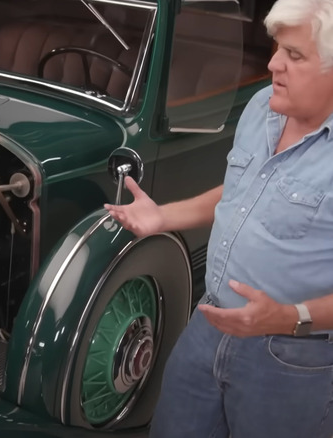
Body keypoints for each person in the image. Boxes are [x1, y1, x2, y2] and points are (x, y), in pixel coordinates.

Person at [104, 1, 333, 436]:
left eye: (295, 55)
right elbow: (243, 194)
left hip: (292, 358)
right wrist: (162, 216)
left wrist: (288, 317)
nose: (273, 64)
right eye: (277, 48)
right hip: (207, 326)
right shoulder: (264, 105)